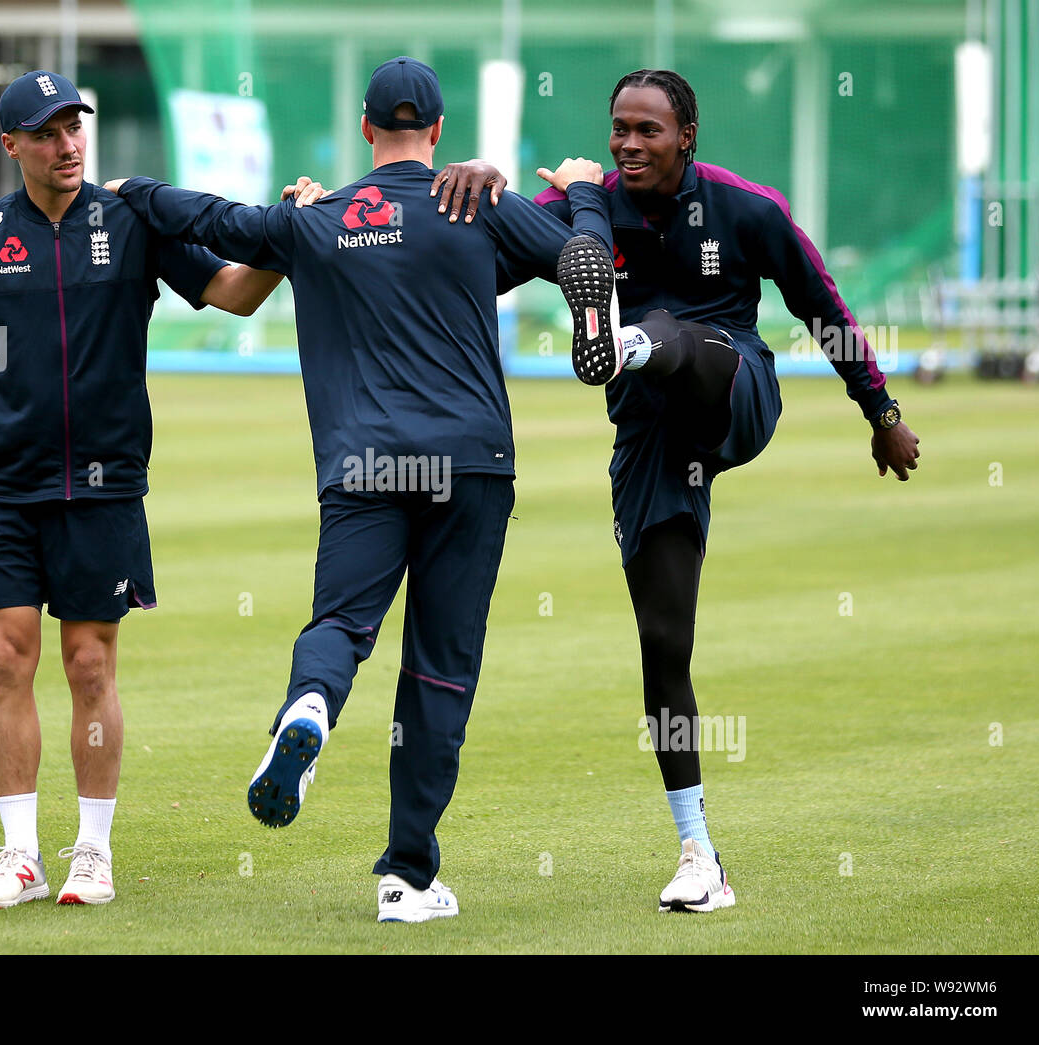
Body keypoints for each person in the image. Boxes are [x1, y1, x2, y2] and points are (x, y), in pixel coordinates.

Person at [104, 56, 614, 923]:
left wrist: (130, 184)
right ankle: (407, 875)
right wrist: (586, 191)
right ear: (441, 134)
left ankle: (310, 704)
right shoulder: (477, 202)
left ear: (367, 130)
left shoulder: (317, 219)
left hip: (364, 465)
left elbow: (216, 222)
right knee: (440, 669)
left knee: (340, 626)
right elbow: (584, 254)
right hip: (472, 462)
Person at [440, 68, 920, 912]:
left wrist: (880, 410)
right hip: (653, 443)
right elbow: (474, 265)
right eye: (618, 128)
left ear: (687, 136)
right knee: (664, 646)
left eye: (648, 130)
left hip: (732, 391)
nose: (628, 143)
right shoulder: (586, 213)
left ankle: (628, 341)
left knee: (677, 337)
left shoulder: (746, 208)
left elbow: (822, 304)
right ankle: (700, 853)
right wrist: (484, 187)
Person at [0, 70, 305, 909]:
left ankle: (94, 852)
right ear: (13, 146)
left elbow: (230, 292)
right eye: (46, 132)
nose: (68, 143)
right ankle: (18, 855)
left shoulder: (133, 222)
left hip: (105, 487)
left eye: (76, 127)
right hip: (2, 484)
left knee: (87, 662)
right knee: (6, 657)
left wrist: (284, 239)